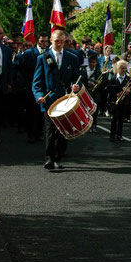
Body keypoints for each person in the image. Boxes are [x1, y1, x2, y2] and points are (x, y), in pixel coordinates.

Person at [33, 30, 81, 170]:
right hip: (49, 99)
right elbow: (36, 82)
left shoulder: (72, 57)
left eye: (62, 41)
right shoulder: (43, 58)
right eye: (56, 41)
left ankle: (58, 158)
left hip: (66, 99)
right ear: (51, 41)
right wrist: (39, 96)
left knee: (62, 129)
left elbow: (77, 76)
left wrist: (76, 85)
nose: (59, 44)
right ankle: (49, 158)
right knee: (49, 129)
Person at [107, 60, 131, 141]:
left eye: (125, 68)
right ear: (118, 68)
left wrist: (129, 90)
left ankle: (119, 135)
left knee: (121, 119)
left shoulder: (128, 79)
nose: (124, 70)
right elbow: (109, 88)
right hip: (115, 101)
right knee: (114, 118)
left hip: (124, 101)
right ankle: (112, 135)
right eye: (122, 68)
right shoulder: (114, 78)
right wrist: (116, 94)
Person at [80, 54, 103, 133]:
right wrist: (87, 84)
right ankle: (86, 125)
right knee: (85, 110)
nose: (92, 64)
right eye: (91, 62)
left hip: (95, 94)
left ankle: (94, 126)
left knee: (95, 111)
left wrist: (98, 85)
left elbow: (102, 83)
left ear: (96, 63)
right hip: (85, 93)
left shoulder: (98, 72)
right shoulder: (83, 70)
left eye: (94, 62)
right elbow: (81, 81)